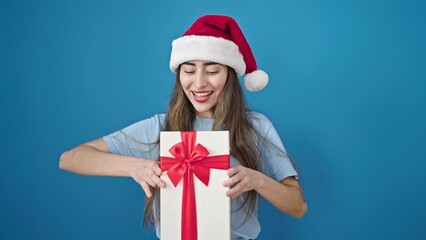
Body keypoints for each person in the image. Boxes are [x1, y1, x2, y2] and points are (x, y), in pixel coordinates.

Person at [60, 14, 307, 239]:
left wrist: (258, 181)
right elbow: (71, 158)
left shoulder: (254, 127)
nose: (199, 83)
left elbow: (297, 206)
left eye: (212, 71)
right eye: (189, 70)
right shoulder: (160, 127)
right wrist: (135, 167)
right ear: (179, 75)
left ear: (230, 76)